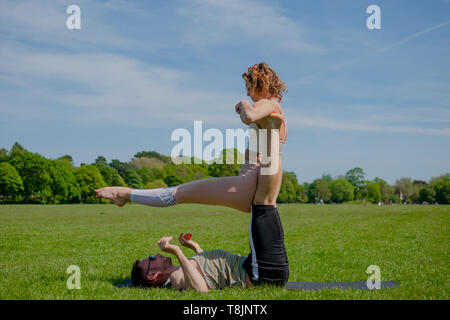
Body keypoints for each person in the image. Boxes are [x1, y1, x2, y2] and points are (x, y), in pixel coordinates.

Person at [94, 62, 287, 214]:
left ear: (260, 84)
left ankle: (125, 194)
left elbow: (249, 116)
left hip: (248, 187)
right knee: (181, 192)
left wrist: (244, 104)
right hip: (251, 184)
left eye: (249, 88)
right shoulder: (271, 110)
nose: (247, 93)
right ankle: (127, 195)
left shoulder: (269, 105)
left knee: (179, 192)